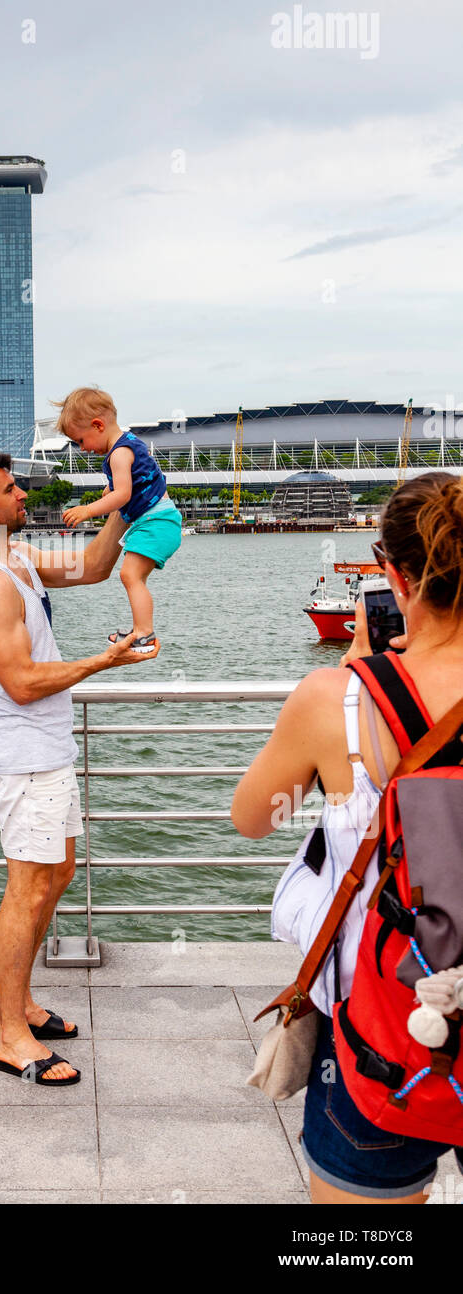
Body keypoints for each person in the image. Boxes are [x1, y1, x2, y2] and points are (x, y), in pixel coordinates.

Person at [231, 471, 463, 1204]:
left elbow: (254, 817)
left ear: (392, 575)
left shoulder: (337, 698)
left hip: (382, 1018)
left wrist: (351, 682)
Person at [0, 453, 158, 1084]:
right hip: (23, 754)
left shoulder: (20, 558)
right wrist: (104, 661)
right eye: (10, 490)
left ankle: (18, 1005)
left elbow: (93, 567)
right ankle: (10, 1036)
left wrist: (127, 502)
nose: (22, 495)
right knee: (28, 886)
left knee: (56, 874)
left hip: (49, 749)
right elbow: (21, 683)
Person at [55, 387, 182, 653]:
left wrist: (88, 510)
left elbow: (124, 495)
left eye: (80, 440)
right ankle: (141, 630)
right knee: (133, 576)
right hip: (158, 521)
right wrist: (110, 490)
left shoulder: (119, 453)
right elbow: (134, 483)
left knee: (130, 575)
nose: (83, 449)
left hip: (156, 522)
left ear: (98, 425)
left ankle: (144, 633)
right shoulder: (129, 444)